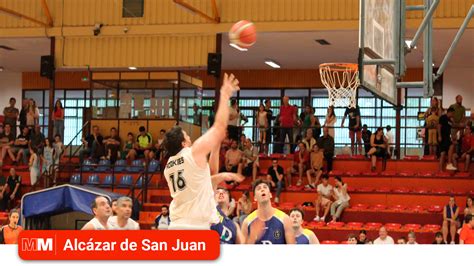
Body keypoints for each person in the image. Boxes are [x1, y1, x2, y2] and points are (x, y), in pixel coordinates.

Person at [163, 73, 240, 229]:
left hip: (177, 225)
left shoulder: (169, 166)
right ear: (183, 142)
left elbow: (209, 173)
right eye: (186, 135)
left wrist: (216, 145)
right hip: (194, 227)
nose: (190, 137)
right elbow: (218, 127)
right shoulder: (193, 153)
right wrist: (224, 96)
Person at [241, 179, 295, 244]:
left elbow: (292, 251)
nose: (262, 189)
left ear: (270, 195)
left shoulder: (285, 219)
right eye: (259, 188)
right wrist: (252, 237)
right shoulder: (247, 222)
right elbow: (242, 252)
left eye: (265, 187)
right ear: (255, 198)